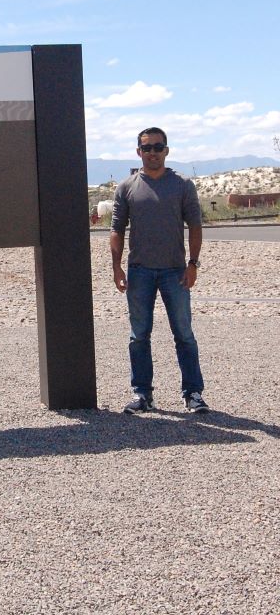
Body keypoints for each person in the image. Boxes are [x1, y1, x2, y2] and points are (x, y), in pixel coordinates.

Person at [110, 127, 210, 414]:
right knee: (139, 336)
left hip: (175, 272)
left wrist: (193, 264)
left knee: (184, 334)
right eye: (147, 148)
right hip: (139, 272)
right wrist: (116, 267)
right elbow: (116, 229)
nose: (153, 152)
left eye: (158, 147)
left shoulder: (182, 185)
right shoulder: (126, 187)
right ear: (138, 152)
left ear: (167, 150)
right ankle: (143, 394)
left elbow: (195, 226)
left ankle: (193, 393)